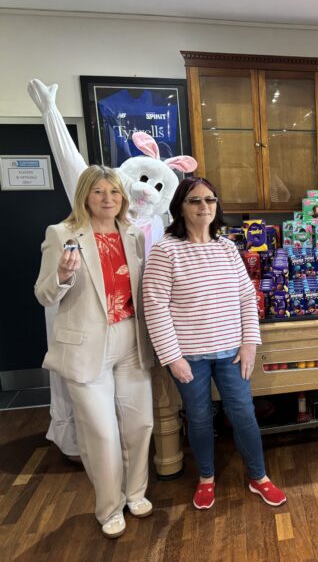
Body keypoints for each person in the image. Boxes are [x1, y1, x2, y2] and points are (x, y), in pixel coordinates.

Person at [142, 176, 286, 510]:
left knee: (244, 414)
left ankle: (258, 477)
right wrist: (172, 357)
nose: (204, 206)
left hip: (232, 353)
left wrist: (250, 342)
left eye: (210, 200)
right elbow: (155, 306)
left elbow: (247, 297)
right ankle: (206, 478)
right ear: (180, 206)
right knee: (200, 416)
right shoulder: (165, 251)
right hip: (188, 356)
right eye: (195, 200)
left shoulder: (226, 248)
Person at [34, 165, 154, 538]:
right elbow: (43, 294)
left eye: (115, 193)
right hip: (87, 348)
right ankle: (109, 506)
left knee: (139, 424)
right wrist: (63, 277)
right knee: (101, 434)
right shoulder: (62, 233)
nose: (108, 199)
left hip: (131, 340)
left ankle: (135, 493)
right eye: (100, 192)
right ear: (85, 194)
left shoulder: (133, 234)